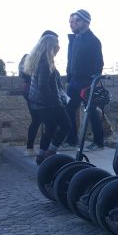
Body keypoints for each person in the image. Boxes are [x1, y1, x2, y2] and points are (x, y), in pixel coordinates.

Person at [24, 32, 70, 164]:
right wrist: (56, 103)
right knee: (66, 125)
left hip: (38, 103)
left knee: (50, 127)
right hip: (49, 103)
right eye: (57, 45)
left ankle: (41, 156)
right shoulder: (45, 62)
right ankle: (51, 152)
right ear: (50, 46)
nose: (59, 47)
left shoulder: (40, 60)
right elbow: (43, 85)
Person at [65, 9, 105, 149]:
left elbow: (99, 63)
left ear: (86, 22)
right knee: (69, 110)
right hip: (74, 81)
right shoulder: (74, 39)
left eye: (77, 21)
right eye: (72, 21)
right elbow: (70, 61)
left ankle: (99, 142)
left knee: (92, 111)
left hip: (86, 82)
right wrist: (69, 78)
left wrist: (92, 82)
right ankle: (71, 139)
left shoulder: (93, 41)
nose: (73, 23)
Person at [18, 31, 56, 155]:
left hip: (29, 93)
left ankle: (31, 148)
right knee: (47, 122)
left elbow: (22, 74)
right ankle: (44, 150)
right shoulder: (43, 59)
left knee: (36, 121)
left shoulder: (29, 57)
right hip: (38, 94)